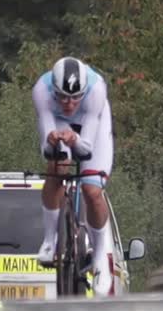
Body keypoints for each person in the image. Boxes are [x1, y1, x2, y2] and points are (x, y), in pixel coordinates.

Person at [33, 56, 116, 297]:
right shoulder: (41, 91)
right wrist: (52, 141)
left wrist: (75, 139)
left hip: (92, 127)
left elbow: (86, 149)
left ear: (83, 92)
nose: (69, 104)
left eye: (74, 97)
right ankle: (50, 240)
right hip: (58, 123)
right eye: (63, 97)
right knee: (56, 167)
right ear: (54, 91)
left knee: (92, 189)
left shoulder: (96, 90)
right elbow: (46, 149)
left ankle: (100, 256)